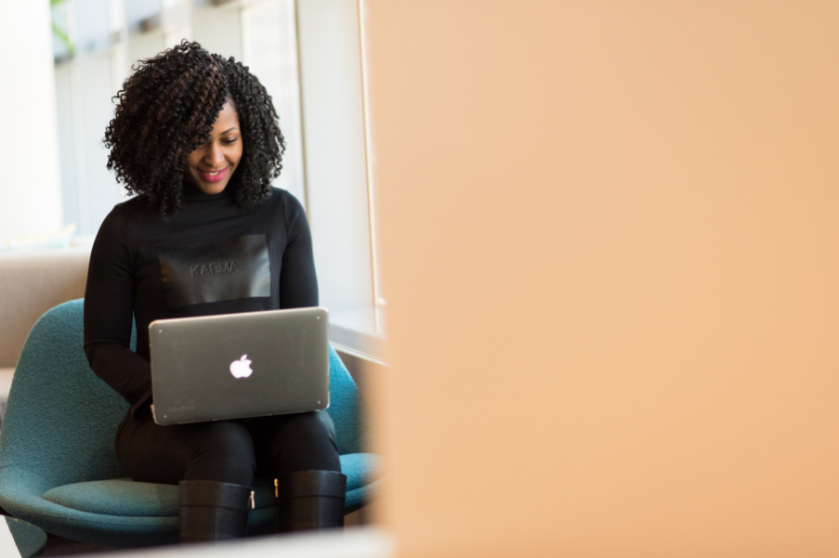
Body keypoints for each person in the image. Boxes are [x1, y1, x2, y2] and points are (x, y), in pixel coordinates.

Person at [83, 40, 346, 543]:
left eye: (229, 139)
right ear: (162, 140)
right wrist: (179, 391)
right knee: (224, 441)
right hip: (169, 427)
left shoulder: (282, 214)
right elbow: (103, 348)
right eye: (196, 141)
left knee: (312, 436)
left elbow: (301, 332)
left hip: (274, 415)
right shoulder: (125, 227)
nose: (214, 157)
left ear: (251, 133)